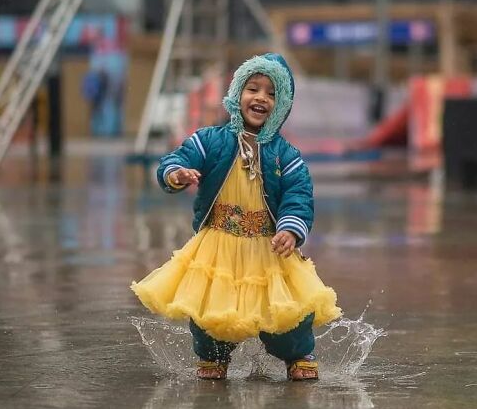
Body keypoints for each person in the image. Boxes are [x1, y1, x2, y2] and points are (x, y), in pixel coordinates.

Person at [131, 53, 342, 381]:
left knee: (285, 314)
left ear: (282, 104)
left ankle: (297, 353)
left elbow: (298, 196)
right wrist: (176, 174)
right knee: (212, 311)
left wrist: (290, 228)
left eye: (272, 93)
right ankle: (214, 356)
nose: (261, 98)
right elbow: (176, 158)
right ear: (236, 94)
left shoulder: (285, 155)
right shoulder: (211, 140)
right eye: (253, 88)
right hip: (218, 244)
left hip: (268, 246)